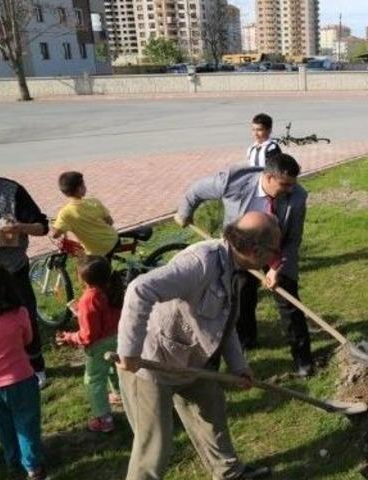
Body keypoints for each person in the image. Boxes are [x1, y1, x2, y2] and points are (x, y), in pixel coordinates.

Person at [116, 211, 278, 480]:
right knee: (153, 446)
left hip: (191, 361)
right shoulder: (201, 263)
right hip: (150, 361)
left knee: (212, 415)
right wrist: (130, 351)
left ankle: (229, 473)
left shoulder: (236, 268)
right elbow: (139, 289)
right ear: (254, 249)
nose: (274, 257)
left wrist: (239, 366)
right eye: (273, 250)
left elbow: (224, 322)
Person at [175, 154, 312, 376]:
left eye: (292, 184)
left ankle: (302, 359)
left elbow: (292, 239)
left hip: (275, 251)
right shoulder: (234, 181)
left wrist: (277, 268)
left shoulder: (296, 197)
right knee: (240, 296)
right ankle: (246, 341)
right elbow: (196, 190)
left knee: (289, 302)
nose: (290, 189)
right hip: (241, 251)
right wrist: (184, 213)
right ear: (268, 177)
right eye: (284, 184)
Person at [0, 142, 48, 388]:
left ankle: (36, 366)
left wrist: (19, 227)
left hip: (11, 270)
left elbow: (42, 227)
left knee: (25, 317)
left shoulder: (10, 191)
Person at [0, 262, 46, 480]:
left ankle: (12, 460)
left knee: (2, 424)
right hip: (21, 378)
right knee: (26, 423)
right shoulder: (19, 313)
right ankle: (32, 466)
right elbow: (28, 339)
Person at [55, 256, 123, 433]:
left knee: (94, 380)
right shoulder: (114, 288)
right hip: (119, 338)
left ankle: (104, 419)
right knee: (114, 368)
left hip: (99, 346)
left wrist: (69, 337)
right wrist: (82, 313)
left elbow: (88, 335)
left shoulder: (88, 299)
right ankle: (119, 394)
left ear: (82, 278)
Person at [51, 171, 119, 257]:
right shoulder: (94, 202)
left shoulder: (65, 213)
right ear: (80, 188)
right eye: (84, 185)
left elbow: (55, 235)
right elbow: (110, 222)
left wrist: (54, 225)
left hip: (96, 251)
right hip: (112, 239)